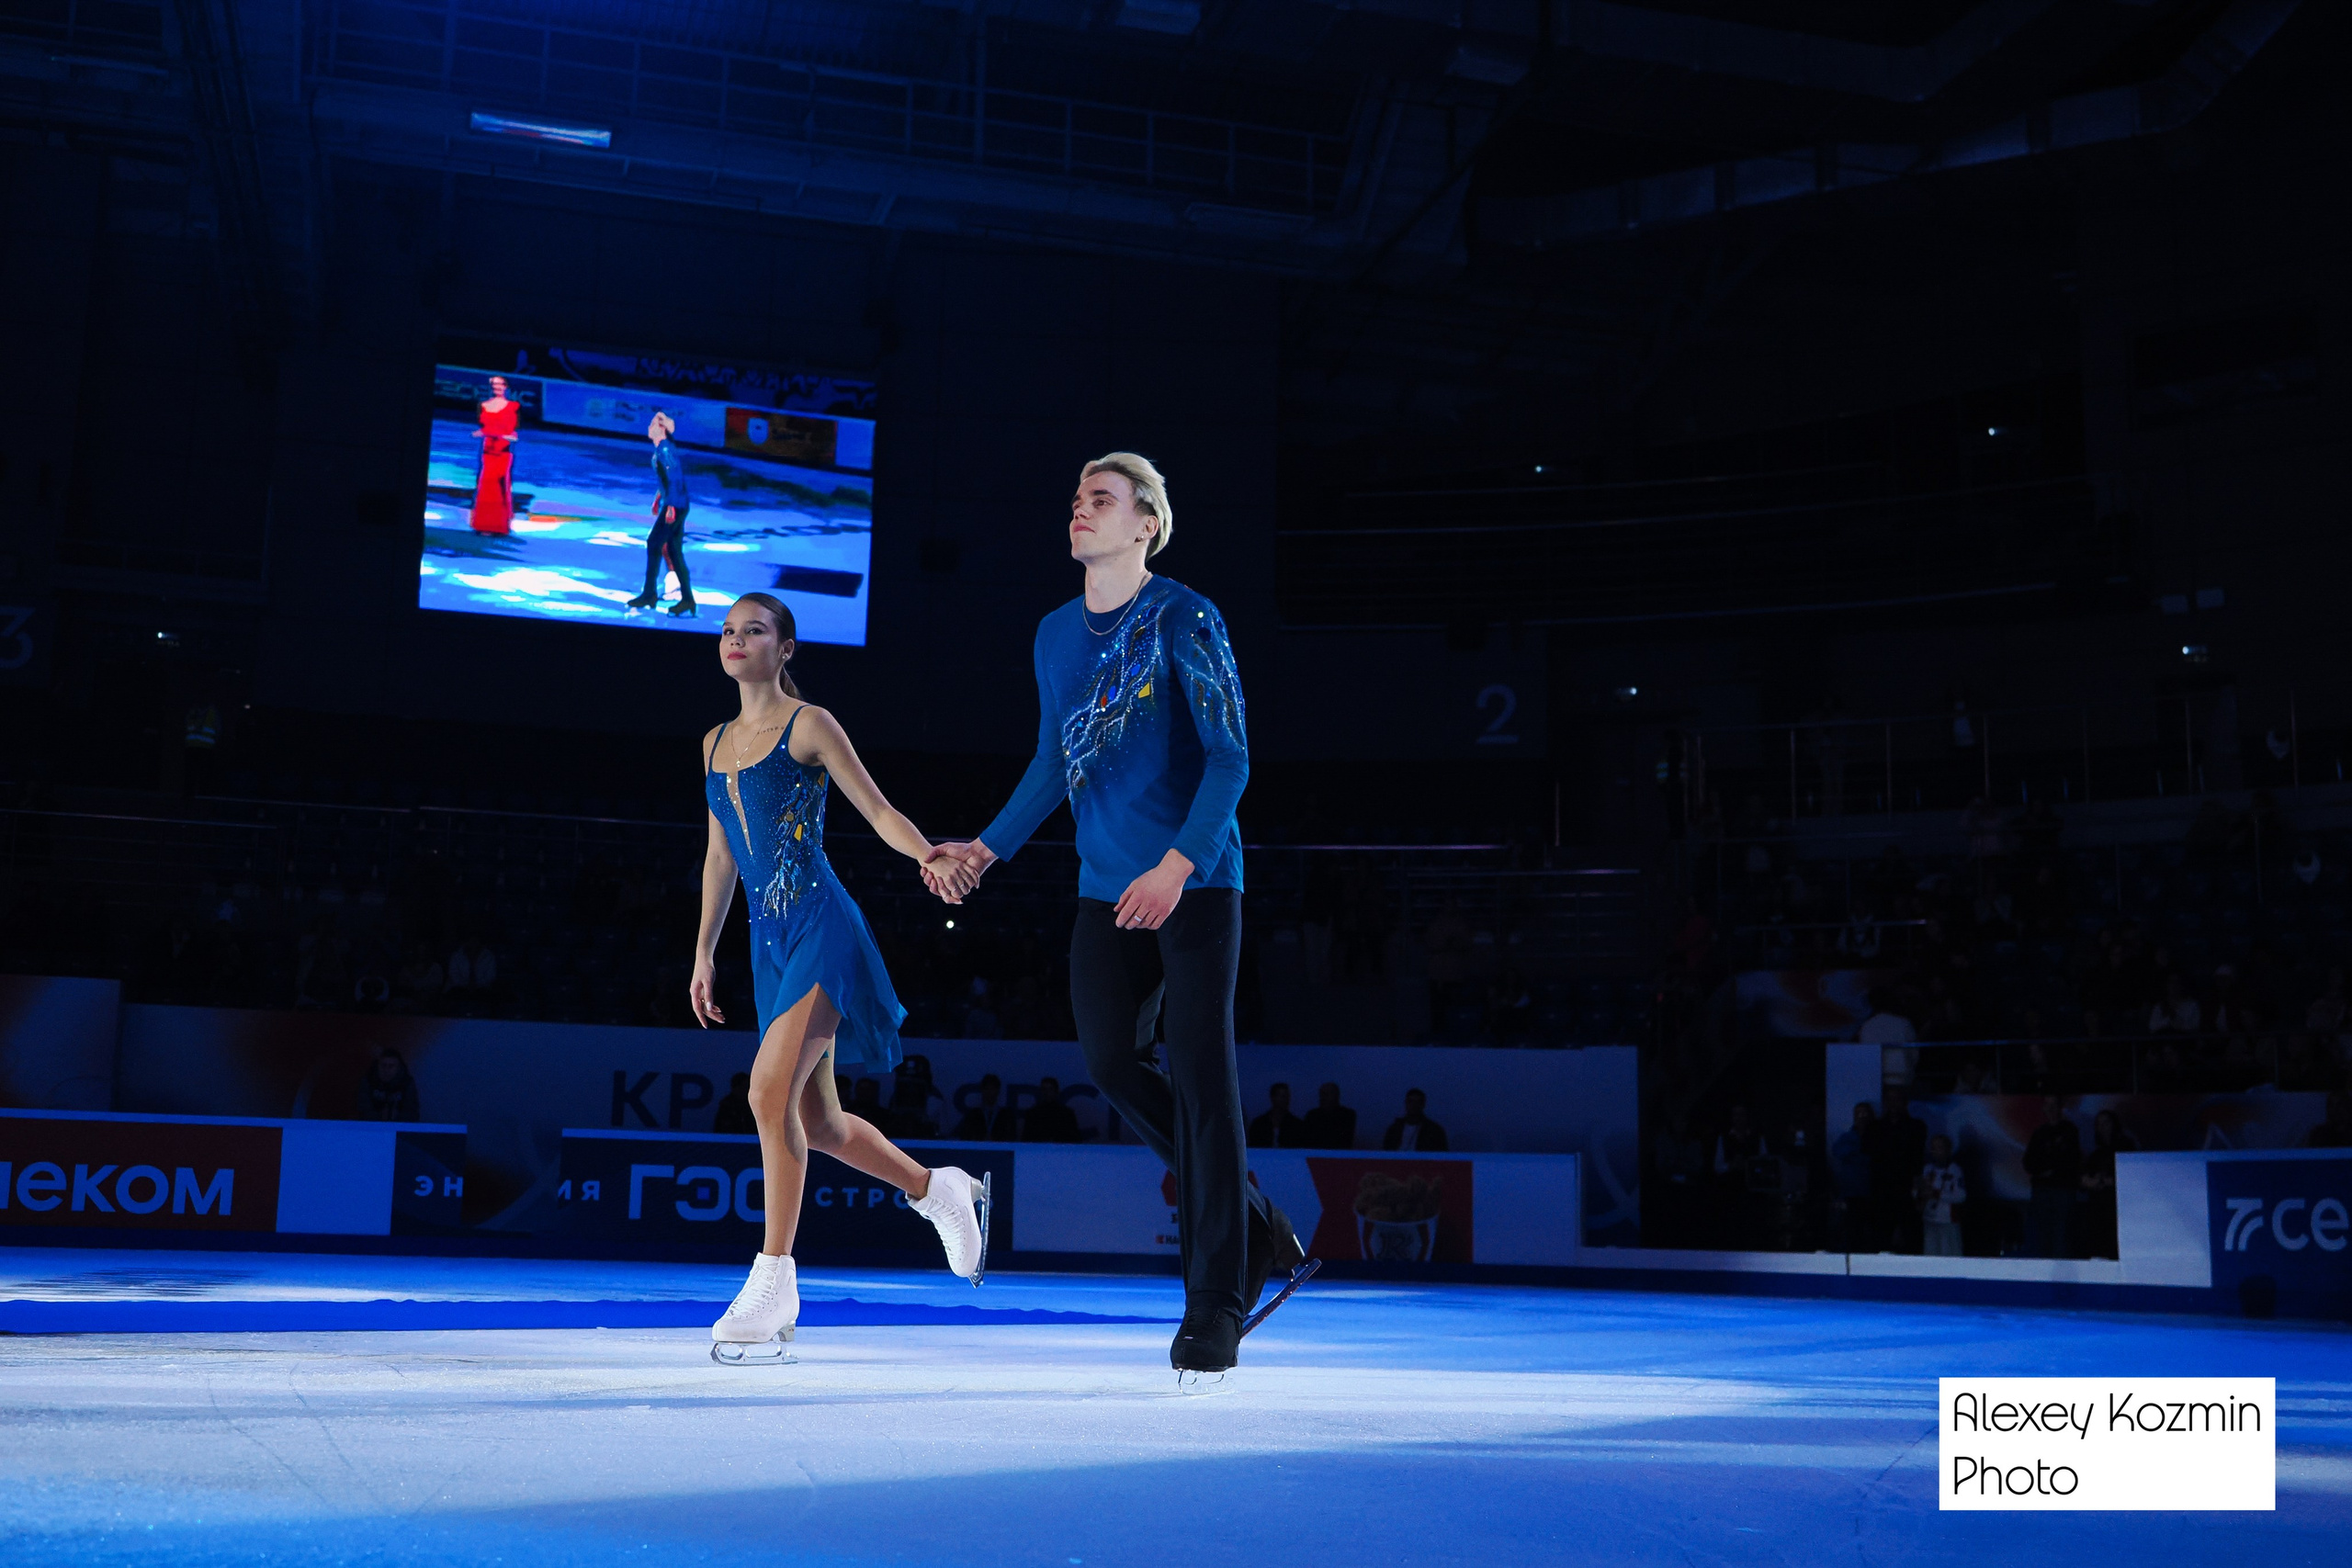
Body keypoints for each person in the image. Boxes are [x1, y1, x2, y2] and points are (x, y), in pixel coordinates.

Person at [924, 452, 1308, 1382]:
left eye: (1101, 500)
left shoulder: (1186, 616)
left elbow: (1230, 759)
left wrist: (1179, 865)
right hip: (1105, 888)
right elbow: (1057, 762)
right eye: (1075, 500)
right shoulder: (1055, 633)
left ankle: (1216, 1298)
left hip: (1197, 880)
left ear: (1146, 524)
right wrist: (985, 847)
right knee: (1107, 1061)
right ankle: (1258, 1228)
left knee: (1202, 1073)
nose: (1080, 511)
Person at [691, 592, 988, 1361]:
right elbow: (722, 856)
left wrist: (927, 853)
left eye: (754, 630)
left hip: (822, 926)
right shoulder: (714, 742)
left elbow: (879, 808)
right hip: (767, 944)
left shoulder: (810, 724)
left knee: (765, 1093)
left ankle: (774, 1275)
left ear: (785, 647)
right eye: (728, 629)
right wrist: (703, 950)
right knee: (816, 1123)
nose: (736, 639)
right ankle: (936, 1189)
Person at [628, 411, 696, 616]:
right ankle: (687, 601)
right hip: (676, 503)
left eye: (652, 424)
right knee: (674, 552)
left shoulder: (665, 449)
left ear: (662, 430)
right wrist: (660, 498)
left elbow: (675, 479)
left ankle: (649, 594)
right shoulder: (662, 448)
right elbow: (667, 480)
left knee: (654, 543)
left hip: (676, 505)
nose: (649, 427)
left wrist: (671, 507)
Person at [2021, 1096, 2082, 1259]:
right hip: (2041, 1191)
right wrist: (2046, 1168)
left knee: (2062, 1234)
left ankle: (2062, 1277)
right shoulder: (2039, 1133)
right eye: (2047, 1105)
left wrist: (2050, 1167)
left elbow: (2069, 1160)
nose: (2050, 1109)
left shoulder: (2070, 1130)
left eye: (2053, 1105)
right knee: (2042, 1234)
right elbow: (2029, 1163)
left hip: (2063, 1190)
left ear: (2060, 1107)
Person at [2079, 1108, 2134, 1258]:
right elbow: (2084, 1179)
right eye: (2099, 1124)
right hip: (2098, 1210)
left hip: (2119, 1209)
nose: (2103, 1127)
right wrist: (2089, 1182)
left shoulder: (2126, 1148)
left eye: (2106, 1123)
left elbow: (2133, 1176)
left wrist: (2109, 1181)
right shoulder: (2096, 1154)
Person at [1828, 1101, 1880, 1253]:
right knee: (1853, 1229)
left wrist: (1856, 1155)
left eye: (1865, 1113)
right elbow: (1838, 1152)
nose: (1862, 1116)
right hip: (1852, 1191)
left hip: (1873, 1190)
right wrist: (1859, 1152)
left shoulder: (1878, 1134)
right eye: (1859, 1113)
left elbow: (1876, 1157)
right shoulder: (1847, 1136)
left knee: (1872, 1230)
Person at [469, 374, 518, 534]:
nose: (496, 387)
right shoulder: (483, 405)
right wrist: (481, 433)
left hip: (502, 452)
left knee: (500, 486)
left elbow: (514, 435)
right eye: (493, 385)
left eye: (500, 384)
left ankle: (500, 524)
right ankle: (483, 524)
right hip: (488, 451)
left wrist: (499, 435)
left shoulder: (513, 406)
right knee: (486, 486)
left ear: (506, 386)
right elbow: (483, 427)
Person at [1916, 1133, 1966, 1257]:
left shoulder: (1955, 1170)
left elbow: (1961, 1196)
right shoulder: (1927, 1169)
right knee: (1930, 1255)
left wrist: (1936, 1194)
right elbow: (1918, 1192)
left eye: (1940, 1148)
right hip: (1929, 1219)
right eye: (1933, 1148)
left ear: (1948, 1150)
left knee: (1950, 1256)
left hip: (1948, 1221)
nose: (1936, 1151)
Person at [355, 1048, 420, 1122]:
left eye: (391, 1066)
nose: (386, 1070)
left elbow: (411, 1112)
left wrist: (396, 1119)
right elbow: (363, 1109)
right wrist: (379, 1118)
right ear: (378, 1065)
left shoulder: (407, 1083)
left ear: (398, 1068)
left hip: (399, 1128)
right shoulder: (368, 1081)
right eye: (383, 1065)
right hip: (371, 1128)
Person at [952, 1073, 1021, 1141]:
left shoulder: (1007, 1115)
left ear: (998, 1091)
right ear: (982, 1091)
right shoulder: (973, 1115)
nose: (989, 1093)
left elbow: (1011, 1138)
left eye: (992, 1089)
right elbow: (966, 1136)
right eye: (987, 1089)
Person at [1382, 1089, 1449, 1152]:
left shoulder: (1434, 1131)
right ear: (1406, 1103)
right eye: (1411, 1101)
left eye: (1418, 1102)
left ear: (1423, 1105)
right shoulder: (1394, 1130)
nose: (1414, 1105)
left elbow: (1441, 1156)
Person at [1022, 1076, 1083, 1143]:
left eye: (1050, 1089)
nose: (1047, 1093)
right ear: (1041, 1091)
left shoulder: (1067, 1114)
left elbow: (1075, 1139)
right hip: (1038, 1151)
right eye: (1044, 1089)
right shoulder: (1032, 1114)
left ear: (1056, 1091)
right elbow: (1026, 1139)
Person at [1300, 1081, 1357, 1149]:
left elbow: (1344, 1141)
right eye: (1321, 1094)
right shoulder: (1312, 1115)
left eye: (1326, 1094)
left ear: (1336, 1096)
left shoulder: (1347, 1116)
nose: (1323, 1098)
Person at [1248, 1082, 1306, 1149]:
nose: (1285, 1100)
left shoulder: (1297, 1125)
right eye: (1282, 1096)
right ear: (1273, 1097)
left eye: (1287, 1096)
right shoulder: (1259, 1124)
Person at [713, 1071, 757, 1135]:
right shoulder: (727, 1106)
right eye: (745, 1087)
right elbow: (722, 1130)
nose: (747, 1090)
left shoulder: (754, 1105)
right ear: (736, 1088)